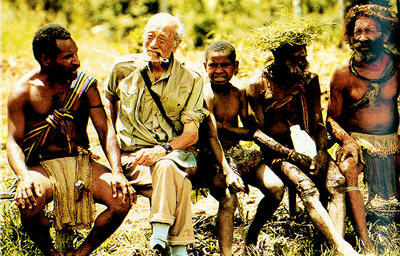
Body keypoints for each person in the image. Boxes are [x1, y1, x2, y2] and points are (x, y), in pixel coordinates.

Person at [6, 24, 135, 256]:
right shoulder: (23, 91)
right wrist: (24, 177)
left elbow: (106, 131)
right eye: (68, 56)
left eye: (76, 53)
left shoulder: (85, 86)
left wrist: (117, 171)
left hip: (81, 162)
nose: (77, 61)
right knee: (29, 203)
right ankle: (50, 252)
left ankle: (82, 253)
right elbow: (14, 141)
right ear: (46, 59)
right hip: (42, 167)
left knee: (122, 199)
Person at [246, 14, 361, 256]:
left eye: (304, 52)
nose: (302, 57)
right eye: (294, 53)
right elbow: (257, 133)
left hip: (309, 147)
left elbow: (318, 123)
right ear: (278, 55)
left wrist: (320, 153)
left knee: (337, 183)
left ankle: (335, 244)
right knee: (308, 188)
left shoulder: (309, 80)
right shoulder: (257, 85)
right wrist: (290, 155)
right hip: (277, 153)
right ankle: (341, 247)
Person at [104, 13, 208, 256]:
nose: (153, 44)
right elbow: (108, 111)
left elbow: (191, 134)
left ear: (176, 44)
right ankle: (178, 248)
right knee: (176, 180)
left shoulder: (191, 78)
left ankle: (160, 234)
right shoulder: (122, 69)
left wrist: (161, 150)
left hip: (173, 154)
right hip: (134, 159)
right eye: (149, 36)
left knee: (167, 166)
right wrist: (116, 159)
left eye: (162, 39)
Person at [327, 3, 399, 253]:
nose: (362, 38)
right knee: (347, 168)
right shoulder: (342, 74)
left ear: (386, 35)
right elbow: (331, 119)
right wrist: (347, 141)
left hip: (392, 140)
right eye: (357, 32)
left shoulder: (396, 68)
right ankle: (365, 242)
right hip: (357, 142)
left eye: (370, 31)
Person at [201, 40, 284, 255]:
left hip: (237, 153)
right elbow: (211, 135)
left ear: (235, 66)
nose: (219, 71)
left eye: (225, 65)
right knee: (229, 200)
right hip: (212, 157)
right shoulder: (206, 94)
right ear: (205, 67)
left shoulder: (239, 92)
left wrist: (226, 129)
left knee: (276, 188)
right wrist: (227, 170)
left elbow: (250, 129)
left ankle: (252, 235)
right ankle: (226, 252)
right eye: (213, 65)